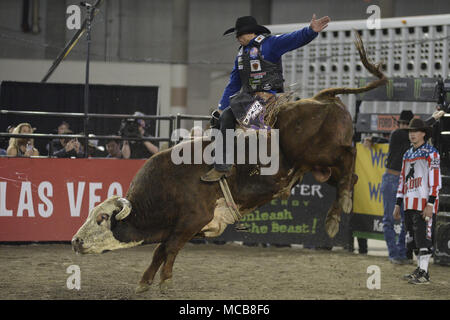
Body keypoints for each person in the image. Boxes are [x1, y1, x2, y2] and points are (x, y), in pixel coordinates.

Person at [201, 14, 330, 182]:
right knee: (221, 118)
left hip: (268, 98)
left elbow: (293, 39)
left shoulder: (270, 44)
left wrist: (310, 31)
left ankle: (222, 166)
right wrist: (221, 106)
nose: (237, 38)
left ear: (249, 33)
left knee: (227, 117)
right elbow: (234, 83)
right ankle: (227, 163)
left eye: (240, 34)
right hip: (248, 99)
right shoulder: (241, 55)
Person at [364, 109, 444, 264]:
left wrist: (373, 138)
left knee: (402, 221)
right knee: (392, 219)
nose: (406, 128)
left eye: (407, 125)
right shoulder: (399, 136)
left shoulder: (399, 137)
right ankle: (395, 254)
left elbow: (385, 140)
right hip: (395, 180)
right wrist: (433, 119)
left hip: (399, 180)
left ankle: (399, 254)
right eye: (406, 126)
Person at [394, 118, 441, 284]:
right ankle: (421, 269)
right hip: (409, 203)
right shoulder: (408, 154)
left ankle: (424, 273)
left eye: (415, 131)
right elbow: (402, 179)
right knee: (413, 240)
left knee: (423, 239)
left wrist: (430, 203)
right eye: (410, 131)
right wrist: (398, 203)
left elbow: (436, 181)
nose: (412, 134)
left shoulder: (431, 153)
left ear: (423, 134)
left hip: (424, 204)